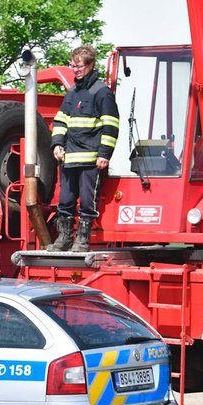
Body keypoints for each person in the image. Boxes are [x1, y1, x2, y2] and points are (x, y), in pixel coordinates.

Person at [48, 44, 120, 253]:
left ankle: (82, 240)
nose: (75, 70)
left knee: (88, 202)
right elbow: (60, 120)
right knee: (65, 200)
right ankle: (64, 239)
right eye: (73, 66)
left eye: (79, 66)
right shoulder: (72, 92)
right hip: (69, 157)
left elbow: (111, 124)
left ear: (90, 65)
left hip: (91, 159)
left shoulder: (102, 92)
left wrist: (104, 154)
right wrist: (57, 144)